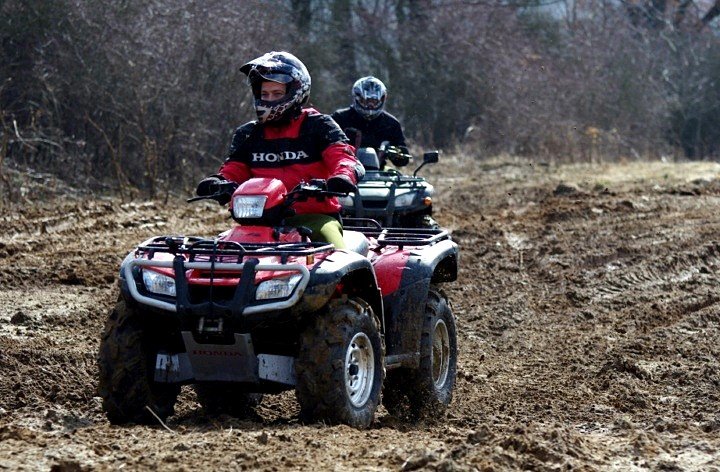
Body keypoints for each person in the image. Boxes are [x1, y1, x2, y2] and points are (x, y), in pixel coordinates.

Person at [196, 51, 364, 249]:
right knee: (222, 255)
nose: (268, 100)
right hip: (258, 223)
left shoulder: (319, 125)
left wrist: (343, 177)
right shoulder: (249, 133)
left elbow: (342, 156)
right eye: (264, 94)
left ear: (296, 92)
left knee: (336, 259)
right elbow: (235, 168)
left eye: (277, 94)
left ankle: (347, 279)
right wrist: (220, 182)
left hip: (315, 218)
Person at [331, 76, 409, 170]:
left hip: (378, 175)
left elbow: (403, 159)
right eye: (366, 101)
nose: (370, 105)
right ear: (357, 98)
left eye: (375, 101)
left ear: (382, 100)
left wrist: (396, 154)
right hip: (343, 171)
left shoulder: (391, 124)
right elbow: (323, 146)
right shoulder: (339, 118)